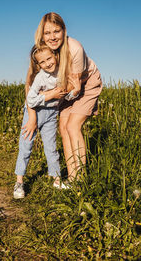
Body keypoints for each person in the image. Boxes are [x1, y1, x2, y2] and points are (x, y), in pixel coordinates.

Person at [24, 12, 103, 182]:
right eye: (47, 33)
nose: (52, 37)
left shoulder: (75, 48)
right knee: (63, 127)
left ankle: (80, 180)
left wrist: (48, 94)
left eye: (57, 31)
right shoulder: (41, 52)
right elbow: (29, 84)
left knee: (73, 125)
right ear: (41, 35)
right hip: (63, 89)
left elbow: (74, 85)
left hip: (84, 84)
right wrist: (32, 117)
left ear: (64, 31)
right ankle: (72, 177)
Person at [14, 44, 74, 199]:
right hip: (36, 112)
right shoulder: (40, 77)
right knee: (26, 146)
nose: (47, 63)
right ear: (38, 64)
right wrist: (49, 95)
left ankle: (56, 179)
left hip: (51, 113)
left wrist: (70, 91)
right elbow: (31, 99)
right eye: (42, 62)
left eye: (49, 58)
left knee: (51, 148)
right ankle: (19, 182)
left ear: (55, 56)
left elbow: (65, 94)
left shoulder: (62, 73)